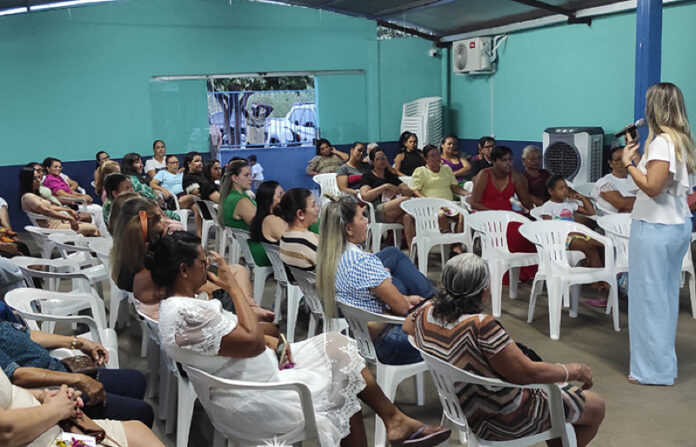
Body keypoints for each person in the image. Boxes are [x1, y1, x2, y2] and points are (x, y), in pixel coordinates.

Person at [149, 231, 450, 446]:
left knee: (338, 346)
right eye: (203, 261)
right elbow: (251, 343)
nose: (209, 266)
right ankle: (394, 420)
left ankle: (395, 420)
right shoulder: (187, 313)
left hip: (246, 379)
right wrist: (233, 289)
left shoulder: (182, 307)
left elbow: (237, 337)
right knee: (343, 382)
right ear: (184, 270)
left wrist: (268, 334)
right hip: (255, 398)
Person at [405, 253, 605, 446]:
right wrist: (574, 370)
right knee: (595, 406)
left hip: (463, 408)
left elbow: (407, 326)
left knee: (558, 396)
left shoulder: (424, 314)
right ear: (484, 291)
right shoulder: (481, 326)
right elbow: (526, 373)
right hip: (502, 418)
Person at [620, 82, 696, 386]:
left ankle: (651, 370)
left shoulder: (662, 142)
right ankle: (661, 364)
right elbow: (660, 182)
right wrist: (639, 159)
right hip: (675, 225)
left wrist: (628, 163)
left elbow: (651, 187)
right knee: (662, 297)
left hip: (655, 228)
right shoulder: (680, 140)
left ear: (654, 108)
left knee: (648, 299)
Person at [316, 195, 437, 366]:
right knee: (452, 336)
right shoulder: (362, 261)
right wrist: (407, 304)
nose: (366, 222)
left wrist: (404, 300)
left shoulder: (330, 258)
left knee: (404, 288)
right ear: (349, 228)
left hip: (363, 339)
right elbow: (402, 308)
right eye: (361, 218)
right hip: (390, 344)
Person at [0, 320, 154, 427]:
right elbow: (16, 375)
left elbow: (25, 334)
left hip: (60, 372)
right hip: (51, 391)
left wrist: (76, 342)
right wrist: (78, 380)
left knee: (135, 381)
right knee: (142, 412)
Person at [0, 369, 164, 447]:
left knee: (139, 430)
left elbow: (8, 389)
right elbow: (6, 431)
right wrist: (57, 409)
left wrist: (43, 396)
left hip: (50, 426)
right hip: (45, 438)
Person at [470, 145, 536, 281]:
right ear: (494, 161)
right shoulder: (484, 174)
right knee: (512, 234)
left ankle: (528, 273)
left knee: (529, 231)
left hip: (507, 215)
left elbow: (526, 202)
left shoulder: (515, 177)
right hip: (485, 215)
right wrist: (496, 214)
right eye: (504, 160)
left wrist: (533, 206)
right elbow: (474, 203)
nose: (508, 163)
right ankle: (506, 273)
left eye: (510, 160)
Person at [539, 175, 607, 298]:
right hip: (563, 239)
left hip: (577, 235)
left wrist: (580, 197)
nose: (565, 190)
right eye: (561, 188)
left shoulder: (570, 204)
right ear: (551, 191)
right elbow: (548, 228)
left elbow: (591, 212)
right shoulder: (548, 207)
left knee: (603, 245)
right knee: (590, 248)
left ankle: (602, 276)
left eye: (566, 187)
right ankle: (598, 281)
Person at [411, 144, 470, 254]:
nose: (437, 158)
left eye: (438, 154)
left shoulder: (446, 169)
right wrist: (428, 201)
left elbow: (454, 187)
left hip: (446, 206)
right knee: (441, 215)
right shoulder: (420, 171)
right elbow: (415, 190)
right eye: (432, 156)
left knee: (463, 215)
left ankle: (456, 245)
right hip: (430, 208)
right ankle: (450, 239)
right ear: (426, 158)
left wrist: (467, 194)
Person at [219, 159, 272, 269]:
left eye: (251, 175)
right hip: (263, 251)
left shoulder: (229, 197)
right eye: (247, 175)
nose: (251, 179)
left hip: (251, 249)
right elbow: (264, 227)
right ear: (235, 178)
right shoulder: (241, 201)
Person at [358, 148, 416, 249]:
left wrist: (399, 190)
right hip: (377, 210)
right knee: (405, 201)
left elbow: (410, 192)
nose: (382, 161)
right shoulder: (368, 176)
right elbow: (365, 196)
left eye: (384, 158)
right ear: (372, 162)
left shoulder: (391, 176)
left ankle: (414, 253)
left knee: (408, 217)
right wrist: (385, 187)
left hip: (394, 210)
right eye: (378, 159)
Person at [19, 167, 99, 237]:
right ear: (27, 181)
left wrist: (69, 210)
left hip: (60, 221)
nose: (38, 180)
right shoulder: (28, 197)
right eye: (34, 179)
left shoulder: (37, 194)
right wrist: (70, 218)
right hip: (54, 228)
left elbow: (50, 207)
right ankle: (96, 253)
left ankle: (87, 251)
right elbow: (47, 211)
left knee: (88, 218)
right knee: (93, 228)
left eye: (39, 177)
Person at [41, 157, 106, 234]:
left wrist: (82, 195)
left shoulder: (58, 177)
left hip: (73, 203)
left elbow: (69, 191)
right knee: (98, 209)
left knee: (96, 210)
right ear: (48, 168)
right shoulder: (50, 180)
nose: (59, 169)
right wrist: (81, 198)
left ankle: (98, 232)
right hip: (66, 206)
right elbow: (63, 194)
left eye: (60, 167)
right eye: (55, 167)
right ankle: (102, 233)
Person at [120, 152, 180, 222]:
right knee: (176, 217)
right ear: (129, 165)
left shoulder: (129, 179)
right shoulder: (134, 181)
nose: (141, 165)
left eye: (141, 162)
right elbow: (150, 198)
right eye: (137, 162)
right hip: (147, 212)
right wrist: (158, 199)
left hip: (145, 211)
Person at [278, 188, 321, 271]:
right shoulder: (309, 241)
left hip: (302, 283)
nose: (317, 208)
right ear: (300, 214)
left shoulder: (284, 237)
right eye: (313, 206)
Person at [591, 146, 637, 214]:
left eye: (626, 158)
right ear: (611, 163)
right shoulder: (604, 183)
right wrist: (644, 202)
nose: (624, 162)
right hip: (614, 221)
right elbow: (622, 204)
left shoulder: (636, 178)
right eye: (619, 160)